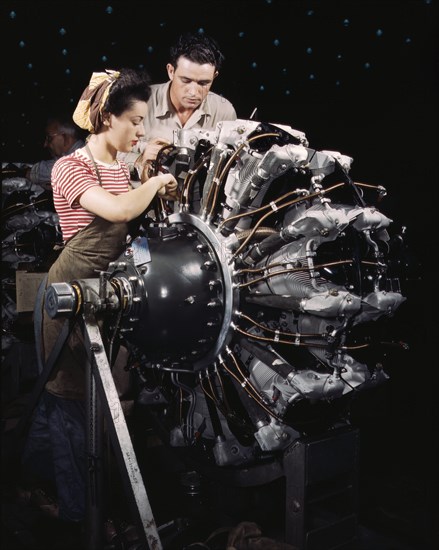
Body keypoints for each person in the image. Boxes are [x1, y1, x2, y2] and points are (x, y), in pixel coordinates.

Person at [20, 68, 177, 541]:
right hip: (70, 291)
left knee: (112, 404)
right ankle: (75, 511)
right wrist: (152, 185)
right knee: (68, 403)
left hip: (110, 293)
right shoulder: (72, 166)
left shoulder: (122, 167)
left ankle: (78, 497)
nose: (141, 131)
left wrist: (148, 175)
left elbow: (133, 212)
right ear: (107, 118)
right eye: (134, 121)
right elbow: (116, 212)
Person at [119, 32, 237, 178]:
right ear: (171, 71)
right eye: (186, 80)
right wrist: (138, 160)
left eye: (203, 83)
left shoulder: (224, 111)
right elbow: (103, 152)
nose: (193, 92)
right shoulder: (139, 101)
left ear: (214, 76)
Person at [25, 114, 86, 189]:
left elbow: (60, 169)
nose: (45, 144)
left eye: (50, 138)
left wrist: (27, 172)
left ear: (65, 137)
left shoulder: (82, 157)